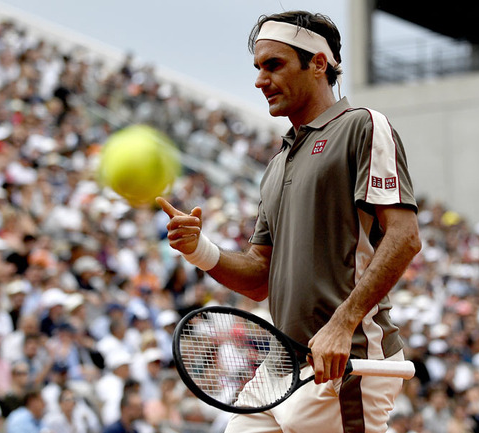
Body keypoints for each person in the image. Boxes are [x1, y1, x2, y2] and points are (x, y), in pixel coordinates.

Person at [157, 10, 421, 433]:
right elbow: (260, 275)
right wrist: (198, 250)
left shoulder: (363, 126)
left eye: (274, 65)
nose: (261, 80)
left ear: (318, 63)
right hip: (281, 367)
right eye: (258, 68)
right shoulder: (277, 164)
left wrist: (342, 323)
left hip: (347, 361)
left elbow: (405, 239)